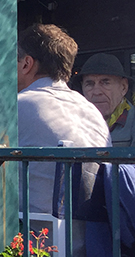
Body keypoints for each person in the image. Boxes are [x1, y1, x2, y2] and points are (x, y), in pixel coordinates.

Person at [16, 24, 110, 213]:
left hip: (36, 235)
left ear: (26, 64)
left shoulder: (17, 106)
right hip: (93, 237)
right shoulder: (91, 111)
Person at [79, 52, 135, 148]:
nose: (97, 91)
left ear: (123, 87)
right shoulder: (72, 124)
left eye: (105, 82)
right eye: (89, 84)